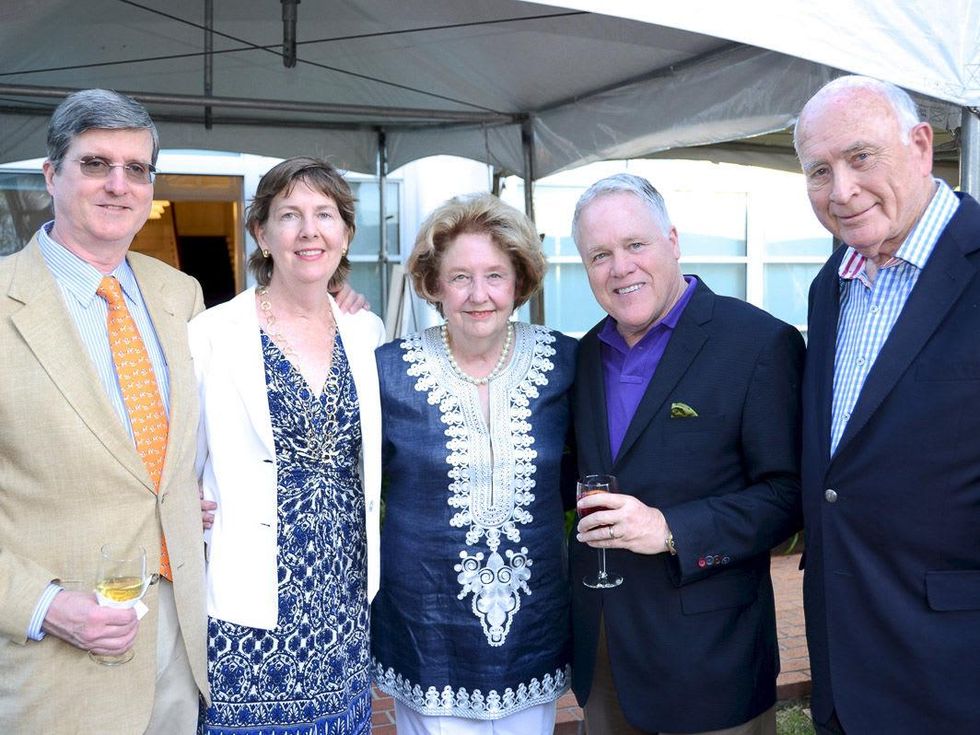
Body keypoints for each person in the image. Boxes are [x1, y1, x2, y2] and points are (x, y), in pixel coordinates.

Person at [0, 89, 208, 732]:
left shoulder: (181, 295)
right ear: (50, 175)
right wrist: (43, 606)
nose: (119, 185)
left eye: (137, 169)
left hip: (183, 651)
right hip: (54, 663)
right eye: (95, 164)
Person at [570, 173, 805, 735]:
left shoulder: (758, 344)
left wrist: (670, 529)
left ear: (672, 240)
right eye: (599, 254)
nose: (620, 267)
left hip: (710, 661)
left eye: (635, 244)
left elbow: (788, 496)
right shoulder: (581, 358)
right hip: (603, 656)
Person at [794, 75, 980, 733]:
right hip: (846, 671)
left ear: (922, 146)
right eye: (820, 170)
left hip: (954, 677)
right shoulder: (829, 286)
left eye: (860, 156)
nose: (841, 189)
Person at [189, 157, 385, 734]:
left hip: (345, 599)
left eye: (326, 214)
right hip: (247, 599)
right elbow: (178, 457)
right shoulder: (212, 334)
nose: (309, 230)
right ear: (261, 233)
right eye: (289, 215)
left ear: (345, 232)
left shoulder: (366, 332)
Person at [370, 193, 575, 734]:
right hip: (425, 625)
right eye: (460, 277)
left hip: (533, 624)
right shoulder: (386, 372)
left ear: (520, 281)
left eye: (495, 275)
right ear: (434, 284)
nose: (479, 295)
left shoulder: (566, 364)